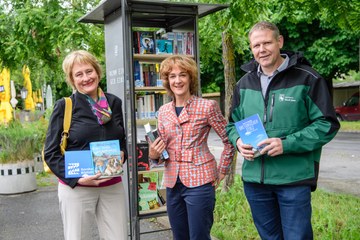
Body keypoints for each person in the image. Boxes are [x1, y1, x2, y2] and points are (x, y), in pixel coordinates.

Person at [226, 21, 340, 240]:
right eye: (256, 45)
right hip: (255, 183)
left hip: (293, 181)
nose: (262, 49)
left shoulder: (308, 78)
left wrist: (286, 143)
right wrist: (238, 141)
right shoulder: (243, 84)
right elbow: (232, 124)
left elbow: (327, 124)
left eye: (267, 42)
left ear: (279, 42)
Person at [148, 55, 235, 240]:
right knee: (179, 236)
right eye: (172, 76)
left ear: (190, 78)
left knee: (199, 236)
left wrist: (222, 171)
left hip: (200, 181)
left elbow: (229, 140)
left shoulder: (207, 106)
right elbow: (161, 152)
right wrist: (154, 154)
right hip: (172, 182)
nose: (177, 80)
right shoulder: (163, 112)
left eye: (182, 75)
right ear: (167, 81)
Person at [43, 50, 128, 240]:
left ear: (97, 72)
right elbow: (50, 153)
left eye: (89, 71)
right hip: (77, 187)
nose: (86, 78)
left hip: (111, 184)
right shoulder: (65, 106)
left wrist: (123, 152)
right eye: (79, 74)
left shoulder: (114, 103)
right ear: (72, 80)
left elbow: (122, 139)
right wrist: (77, 179)